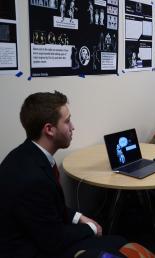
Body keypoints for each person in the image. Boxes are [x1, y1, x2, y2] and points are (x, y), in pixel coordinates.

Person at [0, 91, 127, 258]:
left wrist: (79, 217)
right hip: (35, 250)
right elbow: (53, 240)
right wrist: (90, 228)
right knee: (119, 245)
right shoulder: (33, 179)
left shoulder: (25, 154)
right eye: (67, 121)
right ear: (49, 129)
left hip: (42, 236)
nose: (73, 127)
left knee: (118, 241)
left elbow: (48, 207)